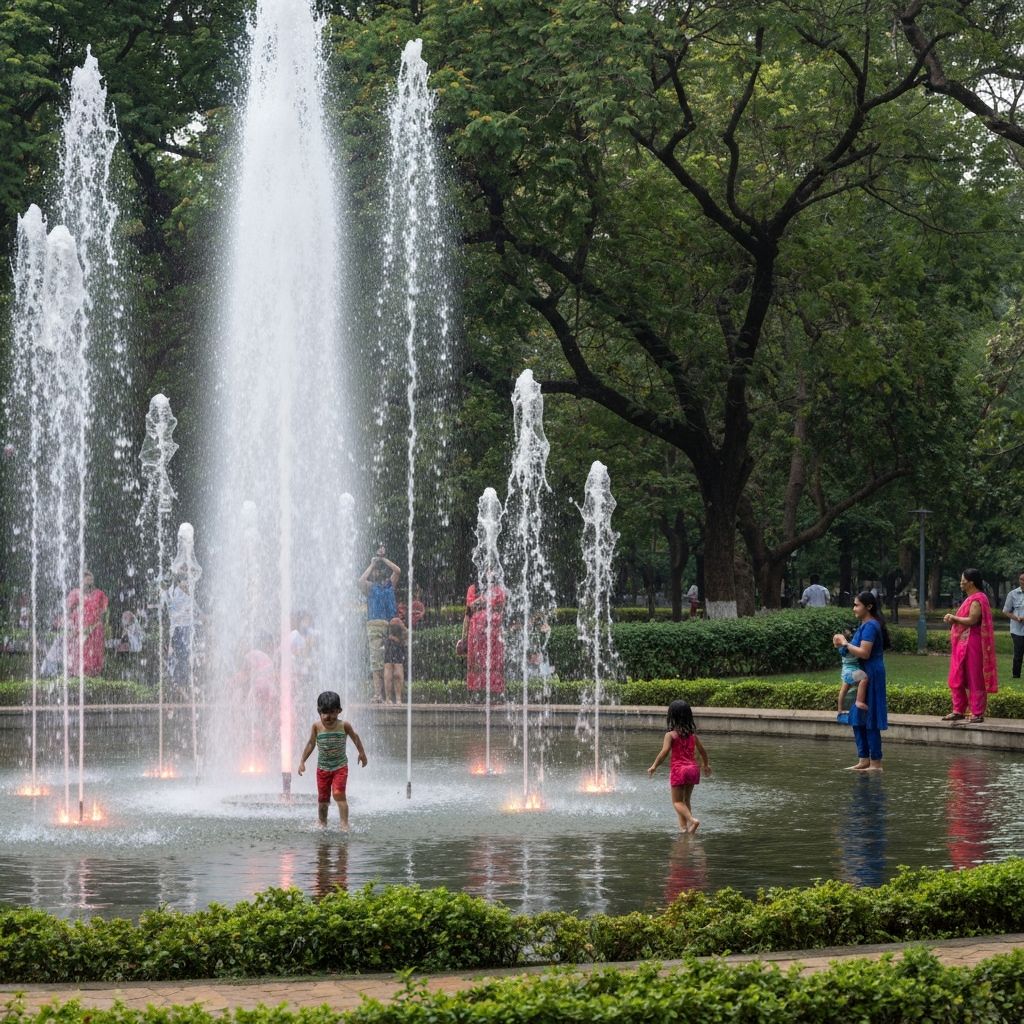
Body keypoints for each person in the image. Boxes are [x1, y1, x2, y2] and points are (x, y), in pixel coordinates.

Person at [832, 590, 888, 771]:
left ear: (869, 607)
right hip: (861, 673)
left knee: (870, 719)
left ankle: (876, 762)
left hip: (871, 673)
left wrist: (845, 644)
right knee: (857, 717)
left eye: (857, 605)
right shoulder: (863, 625)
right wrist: (842, 645)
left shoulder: (871, 626)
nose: (854, 608)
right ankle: (863, 759)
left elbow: (864, 653)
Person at [297, 691, 367, 830]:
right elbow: (311, 744)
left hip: (340, 767)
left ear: (339, 711)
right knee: (323, 800)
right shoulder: (317, 727)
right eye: (325, 713)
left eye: (332, 712)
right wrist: (302, 761)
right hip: (322, 769)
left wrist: (362, 753)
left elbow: (355, 737)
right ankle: (322, 822)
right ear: (319, 712)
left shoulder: (344, 726)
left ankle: (344, 824)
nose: (328, 716)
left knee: (338, 794)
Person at [942, 568, 998, 724]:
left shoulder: (978, 598)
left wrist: (954, 618)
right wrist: (954, 619)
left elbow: (972, 620)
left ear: (971, 582)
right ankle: (958, 710)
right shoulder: (970, 598)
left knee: (974, 675)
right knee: (957, 674)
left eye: (963, 580)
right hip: (962, 643)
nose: (961, 583)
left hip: (973, 642)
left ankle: (977, 712)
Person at [647, 699, 711, 833]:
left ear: (672, 716)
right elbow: (703, 751)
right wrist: (706, 765)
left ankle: (692, 820)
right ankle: (684, 828)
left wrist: (654, 766)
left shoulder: (670, 735)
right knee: (686, 801)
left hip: (679, 770)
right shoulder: (693, 736)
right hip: (693, 769)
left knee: (676, 802)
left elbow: (664, 753)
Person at [358, 547, 400, 703]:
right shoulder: (370, 588)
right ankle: (378, 694)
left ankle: (391, 696)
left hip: (391, 625)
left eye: (379, 569)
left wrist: (383, 559)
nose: (378, 572)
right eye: (376, 570)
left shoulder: (389, 585)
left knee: (390, 662)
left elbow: (398, 571)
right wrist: (372, 564)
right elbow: (360, 581)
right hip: (375, 625)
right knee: (377, 662)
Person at [462, 573, 506, 697]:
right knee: (476, 660)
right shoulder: (473, 588)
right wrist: (463, 637)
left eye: (492, 569)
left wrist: (482, 602)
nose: (489, 572)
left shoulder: (499, 589)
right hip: (476, 631)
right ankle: (476, 693)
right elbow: (470, 608)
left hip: (494, 631)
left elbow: (501, 605)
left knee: (494, 661)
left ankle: (495, 693)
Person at [67, 570, 109, 677]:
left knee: (94, 655)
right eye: (86, 579)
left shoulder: (99, 594)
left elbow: (104, 612)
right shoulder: (75, 593)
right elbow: (69, 610)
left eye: (91, 580)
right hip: (79, 630)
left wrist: (99, 624)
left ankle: (93, 676)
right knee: (79, 653)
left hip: (95, 630)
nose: (89, 582)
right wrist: (72, 627)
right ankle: (77, 675)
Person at [836, 629, 868, 724]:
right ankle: (858, 702)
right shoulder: (848, 648)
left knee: (844, 691)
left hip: (847, 672)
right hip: (850, 672)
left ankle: (840, 710)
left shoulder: (845, 648)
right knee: (864, 678)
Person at [1002, 569, 1024, 680]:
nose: (1023, 582)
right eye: (1021, 579)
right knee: (1018, 653)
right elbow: (1006, 611)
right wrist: (1016, 618)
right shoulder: (1012, 594)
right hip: (1017, 629)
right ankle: (1016, 675)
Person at [383, 616, 407, 705]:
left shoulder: (395, 622)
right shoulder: (397, 621)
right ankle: (394, 699)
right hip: (393, 647)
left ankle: (392, 699)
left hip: (395, 647)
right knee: (392, 673)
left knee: (393, 673)